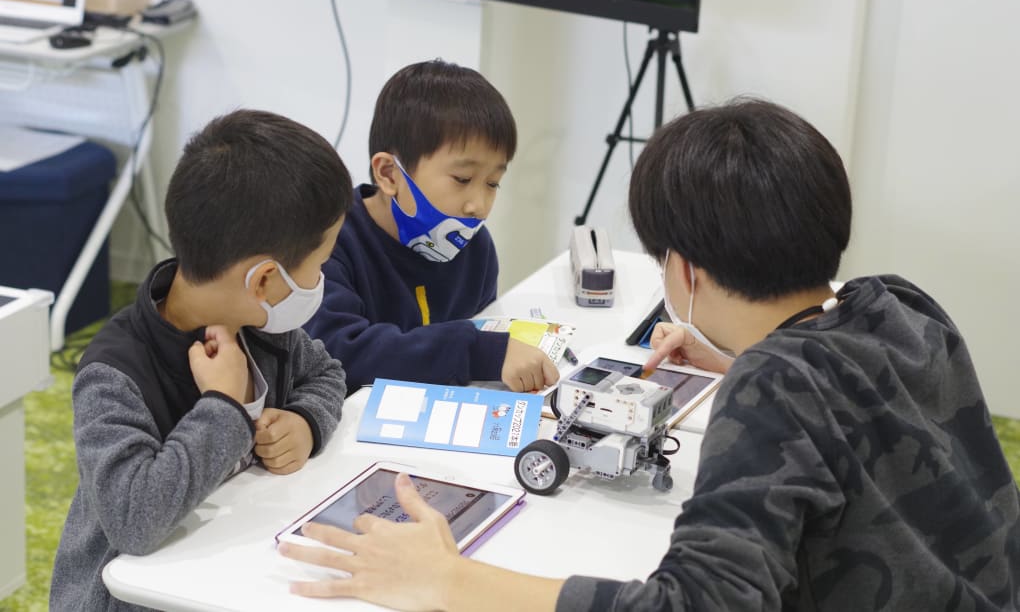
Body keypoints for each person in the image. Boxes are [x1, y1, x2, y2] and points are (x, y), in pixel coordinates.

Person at [278, 99, 1020, 611]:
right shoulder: (898, 303)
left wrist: (450, 579)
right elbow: (862, 402)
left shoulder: (775, 391)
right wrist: (733, 361)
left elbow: (697, 602)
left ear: (685, 271)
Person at [50, 110, 353, 611]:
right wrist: (222, 404)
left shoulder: (262, 325)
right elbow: (133, 520)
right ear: (262, 281)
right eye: (318, 265)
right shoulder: (113, 374)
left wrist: (305, 421)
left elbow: (326, 374)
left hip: (233, 571)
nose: (321, 279)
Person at [303, 60, 559, 394]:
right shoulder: (329, 241)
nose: (478, 206)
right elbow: (338, 351)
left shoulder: (475, 247)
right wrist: (479, 351)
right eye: (463, 179)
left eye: (493, 183)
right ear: (389, 174)